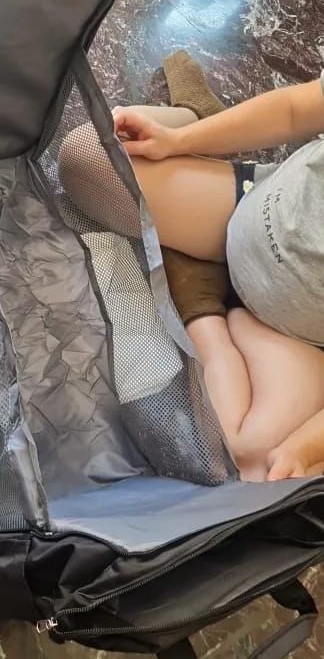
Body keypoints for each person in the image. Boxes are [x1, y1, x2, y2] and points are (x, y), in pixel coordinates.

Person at [59, 75, 324, 482]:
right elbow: (294, 109)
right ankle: (193, 120)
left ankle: (206, 317)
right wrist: (176, 141)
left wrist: (304, 447)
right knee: (85, 155)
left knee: (249, 461)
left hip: (295, 336)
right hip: (244, 209)